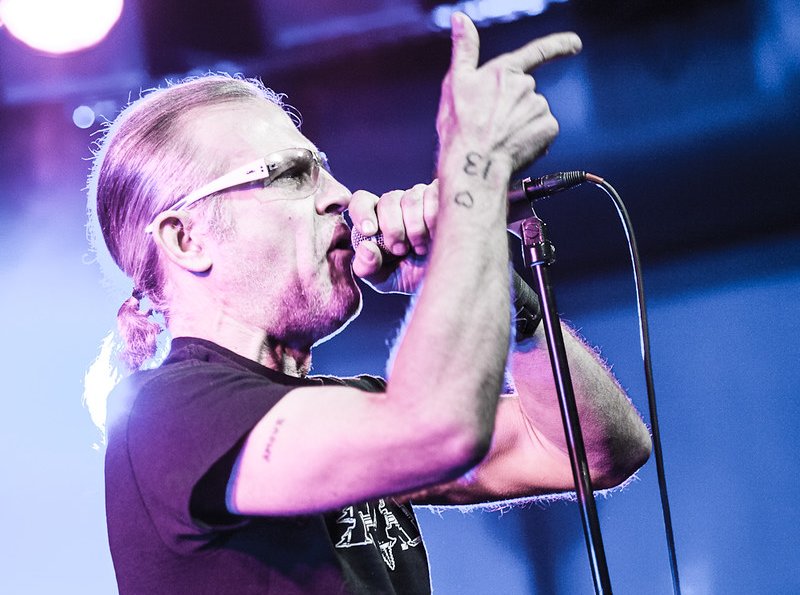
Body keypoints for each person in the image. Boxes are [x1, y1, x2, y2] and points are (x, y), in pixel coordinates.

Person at [87, 12, 651, 594]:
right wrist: (472, 186)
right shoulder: (169, 415)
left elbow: (595, 451)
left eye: (323, 168)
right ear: (188, 240)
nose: (341, 195)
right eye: (291, 173)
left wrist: (504, 296)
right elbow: (435, 427)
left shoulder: (346, 407)